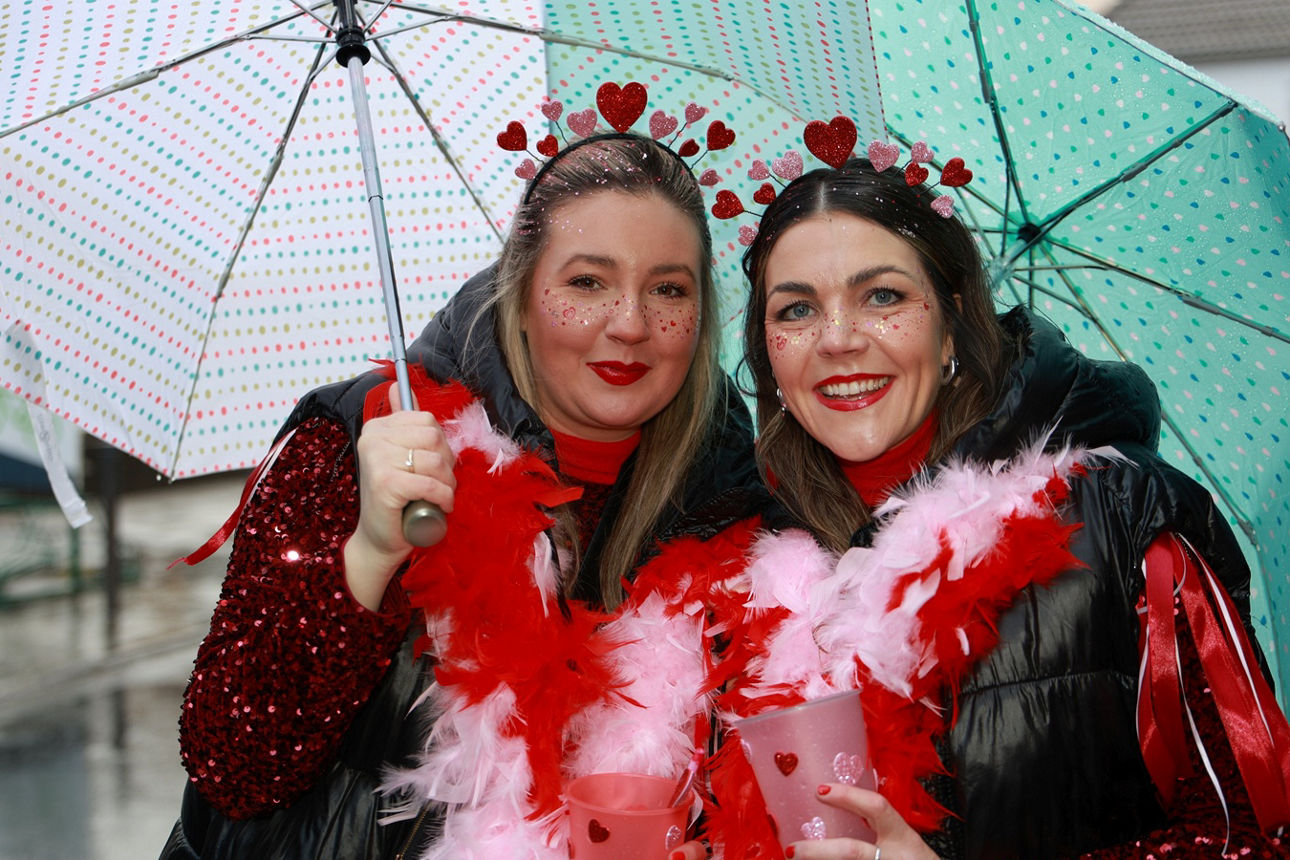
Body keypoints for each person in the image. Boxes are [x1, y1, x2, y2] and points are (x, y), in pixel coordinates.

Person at [160, 126, 768, 859]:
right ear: (517, 296)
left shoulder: (734, 505)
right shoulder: (368, 445)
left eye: (667, 289)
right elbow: (233, 763)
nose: (631, 324)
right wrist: (369, 556)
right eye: (586, 283)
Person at [695, 145, 1290, 859]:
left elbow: (1252, 834)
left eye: (882, 296)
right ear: (768, 351)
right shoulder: (744, 581)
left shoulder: (1125, 513)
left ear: (950, 321)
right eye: (796, 309)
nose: (839, 340)